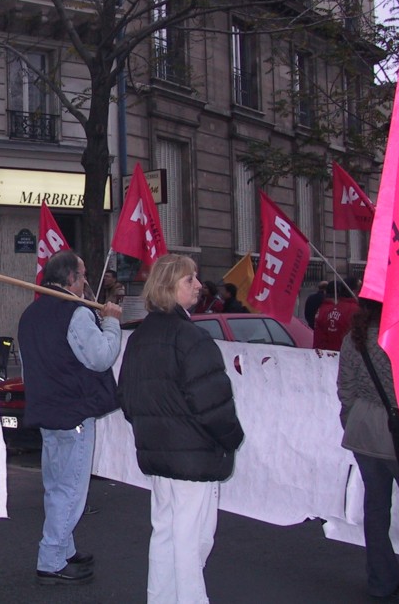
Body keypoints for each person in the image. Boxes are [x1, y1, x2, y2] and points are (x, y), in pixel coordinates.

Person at [117, 254, 244, 604]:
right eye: (190, 280)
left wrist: (153, 430)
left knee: (166, 534)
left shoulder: (140, 337)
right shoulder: (191, 337)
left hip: (159, 455)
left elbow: (127, 397)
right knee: (192, 540)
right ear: (170, 286)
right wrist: (232, 439)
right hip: (194, 456)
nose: (199, 286)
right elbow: (214, 404)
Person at [17, 250, 122, 585]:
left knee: (56, 486)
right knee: (71, 489)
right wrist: (111, 322)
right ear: (70, 279)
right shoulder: (74, 313)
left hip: (47, 410)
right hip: (73, 411)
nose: (87, 280)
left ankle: (64, 549)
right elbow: (101, 357)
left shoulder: (30, 315)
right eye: (83, 273)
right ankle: (51, 559)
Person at [336, 298, 399, 597]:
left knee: (376, 509)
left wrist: (353, 420)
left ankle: (382, 581)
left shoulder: (353, 338)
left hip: (364, 432)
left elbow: (346, 389)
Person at [313, 279, 359, 351]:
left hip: (325, 353)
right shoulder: (354, 310)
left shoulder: (328, 309)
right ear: (354, 291)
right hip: (341, 353)